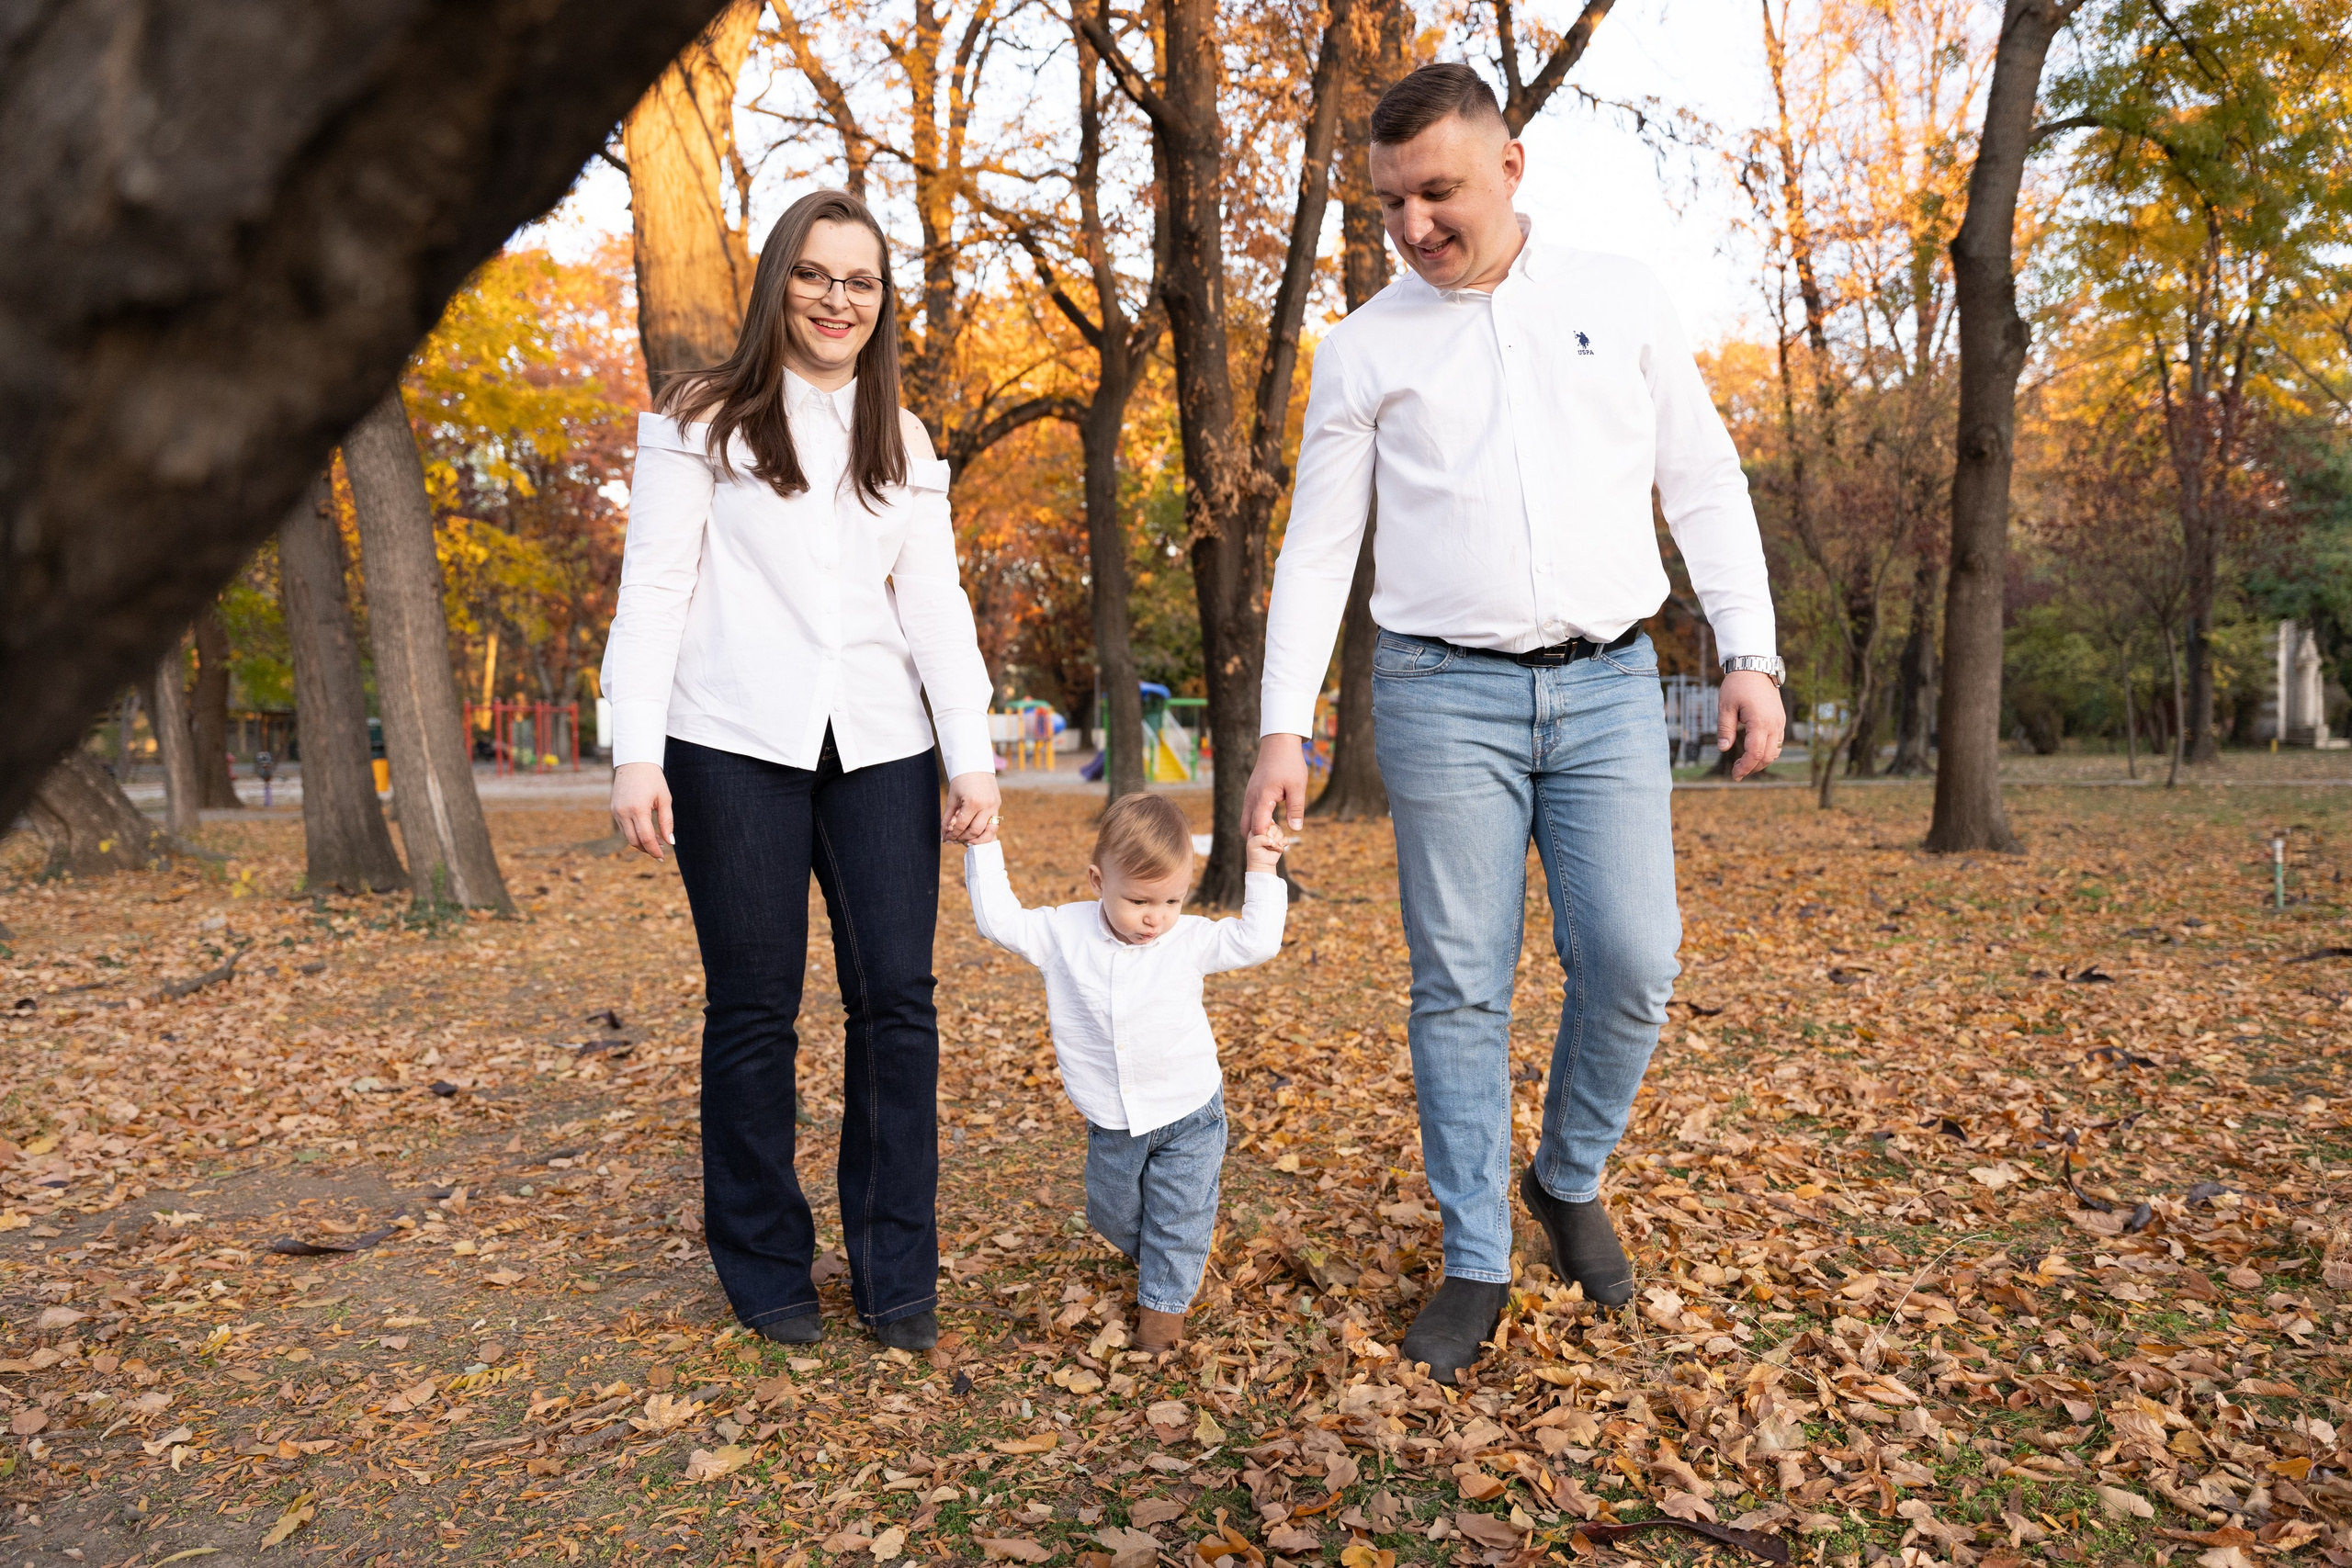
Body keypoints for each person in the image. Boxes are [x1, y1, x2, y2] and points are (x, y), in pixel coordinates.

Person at [1244, 64, 1788, 1384]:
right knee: (1461, 987)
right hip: (1440, 692)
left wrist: (1751, 652)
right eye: (1390, 201)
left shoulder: (1619, 298)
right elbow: (1320, 548)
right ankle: (1477, 1250)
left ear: (1511, 167)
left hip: (1607, 687)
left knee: (1636, 955)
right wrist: (1279, 727)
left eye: (1439, 191)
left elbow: (1702, 482)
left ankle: (1567, 1171)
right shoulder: (1367, 345)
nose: (1415, 224)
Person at [604, 189, 1001, 1352]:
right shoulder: (701, 423)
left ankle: (895, 1273)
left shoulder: (905, 440)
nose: (838, 299)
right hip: (729, 744)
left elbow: (934, 607)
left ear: (883, 302)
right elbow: (656, 591)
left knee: (899, 1005)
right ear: (779, 281)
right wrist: (636, 752)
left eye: (862, 282)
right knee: (753, 1011)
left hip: (880, 746)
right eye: (817, 275)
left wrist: (967, 754)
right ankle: (766, 1267)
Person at [964, 795, 1287, 1351]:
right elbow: (999, 921)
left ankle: (1161, 1320)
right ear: (1097, 881)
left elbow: (1257, 941)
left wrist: (1260, 868)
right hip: (1111, 1118)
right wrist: (983, 842)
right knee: (1109, 1211)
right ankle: (1170, 1255)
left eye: (1170, 900)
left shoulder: (1186, 938)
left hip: (1190, 1109)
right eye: (1138, 900)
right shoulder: (1062, 934)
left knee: (1179, 1214)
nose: (1154, 917)